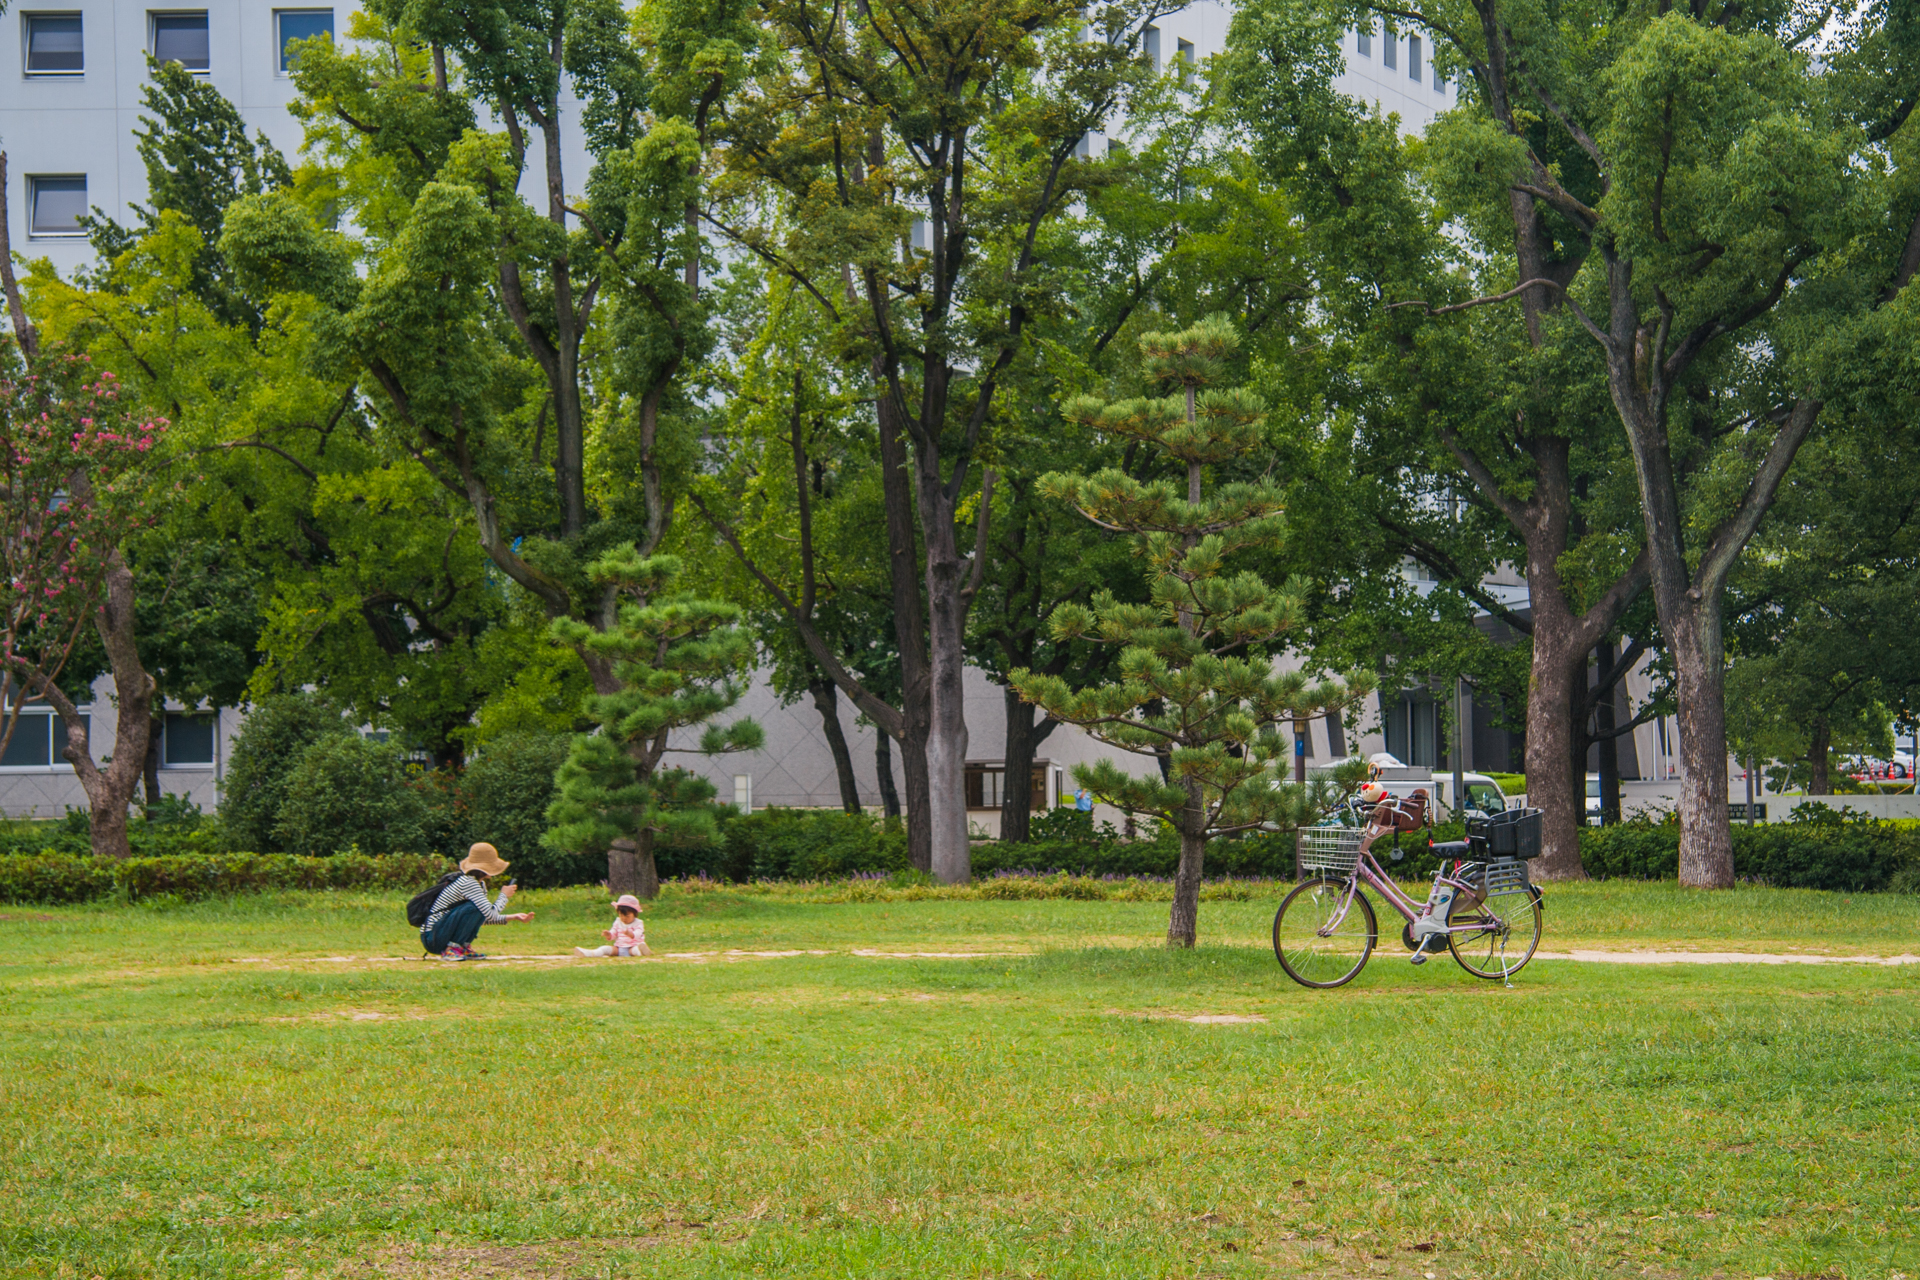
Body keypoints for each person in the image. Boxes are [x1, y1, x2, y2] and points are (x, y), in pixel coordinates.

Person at [420, 842, 533, 961]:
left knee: (476, 909)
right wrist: (504, 896)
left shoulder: (479, 884)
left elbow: (484, 918)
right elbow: (490, 913)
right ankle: (453, 948)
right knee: (473, 907)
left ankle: (462, 946)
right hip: (432, 937)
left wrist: (514, 917)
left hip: (439, 935)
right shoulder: (469, 883)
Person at [574, 894, 652, 958]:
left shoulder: (638, 923)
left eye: (627, 916)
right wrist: (609, 934)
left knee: (635, 950)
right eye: (621, 915)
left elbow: (638, 933)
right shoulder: (618, 922)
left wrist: (630, 934)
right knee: (605, 948)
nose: (623, 918)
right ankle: (589, 953)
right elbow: (614, 932)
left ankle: (642, 951)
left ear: (635, 914)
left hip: (632, 947)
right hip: (618, 948)